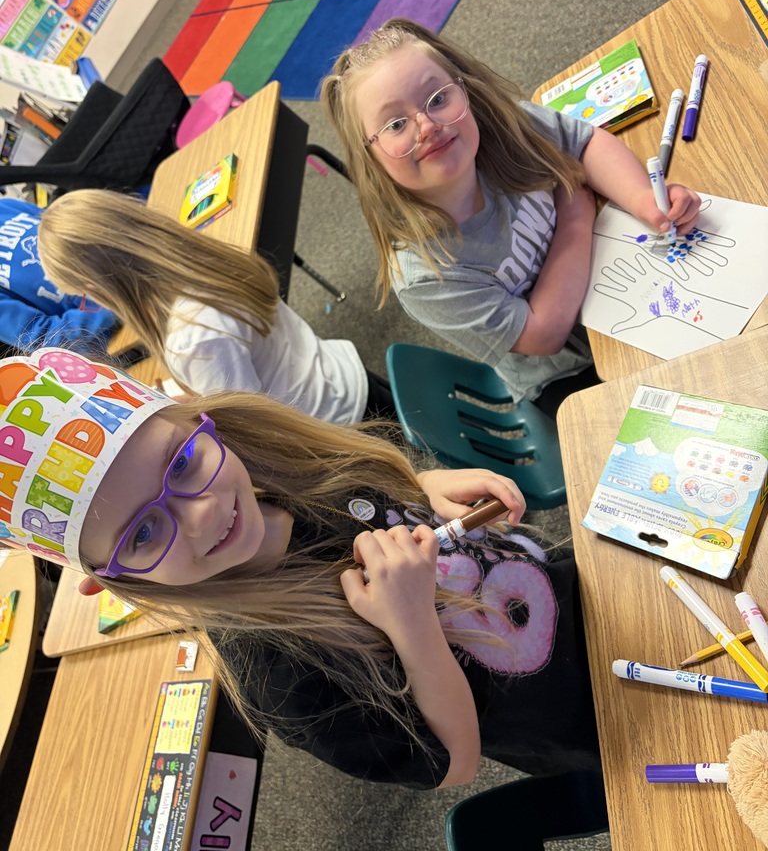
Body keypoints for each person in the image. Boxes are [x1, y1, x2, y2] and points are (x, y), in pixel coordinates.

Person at [0, 347, 601, 788]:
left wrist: (421, 488)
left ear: (191, 418)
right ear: (114, 581)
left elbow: (364, 499)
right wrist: (413, 627)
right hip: (587, 714)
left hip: (587, 586)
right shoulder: (284, 681)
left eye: (182, 463)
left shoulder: (286, 467)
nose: (204, 514)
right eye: (145, 532)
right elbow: (455, 764)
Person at [320, 18, 702, 417]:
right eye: (396, 124)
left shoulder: (497, 125)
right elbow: (544, 333)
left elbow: (583, 144)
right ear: (371, 156)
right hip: (571, 370)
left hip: (611, 273)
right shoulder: (425, 275)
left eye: (437, 98)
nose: (428, 126)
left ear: (462, 88)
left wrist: (644, 200)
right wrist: (575, 214)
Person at [37, 189, 394, 424]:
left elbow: (262, 428)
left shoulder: (191, 340)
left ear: (97, 286)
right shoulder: (196, 259)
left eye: (84, 296)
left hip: (339, 422)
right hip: (340, 371)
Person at [0, 197, 116, 357]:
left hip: (132, 273)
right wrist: (109, 304)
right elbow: (46, 338)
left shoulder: (5, 207)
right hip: (117, 328)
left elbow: (75, 226)